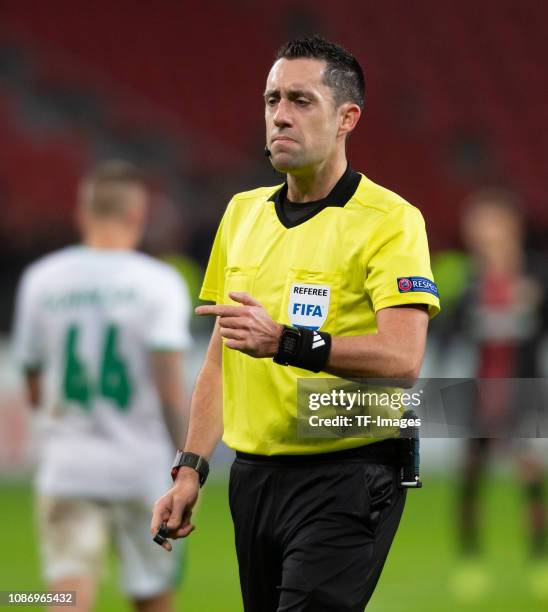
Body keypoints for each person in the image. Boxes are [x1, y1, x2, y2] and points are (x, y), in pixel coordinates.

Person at [151, 36, 440, 611]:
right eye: (271, 99)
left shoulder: (391, 220)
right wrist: (190, 469)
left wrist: (284, 341)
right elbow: (220, 357)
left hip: (349, 473)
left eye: (301, 100)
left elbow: (403, 358)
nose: (279, 115)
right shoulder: (241, 214)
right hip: (254, 478)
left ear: (346, 118)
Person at [13, 161, 192, 612]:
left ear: (82, 213)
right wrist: (186, 465)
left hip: (68, 465)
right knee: (152, 597)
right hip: (142, 468)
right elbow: (170, 387)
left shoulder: (42, 280)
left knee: (67, 595)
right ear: (138, 216)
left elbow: (32, 384)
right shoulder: (160, 283)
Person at [442, 189, 548, 598]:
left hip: (523, 390)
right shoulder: (468, 280)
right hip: (478, 392)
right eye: (475, 224)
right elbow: (447, 327)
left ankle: (539, 561)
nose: (480, 232)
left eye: (487, 222)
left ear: (510, 225)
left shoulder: (535, 275)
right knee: (471, 476)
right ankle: (470, 561)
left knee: (530, 476)